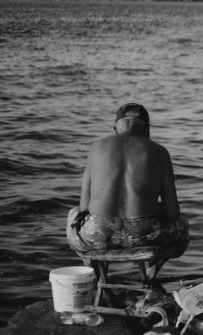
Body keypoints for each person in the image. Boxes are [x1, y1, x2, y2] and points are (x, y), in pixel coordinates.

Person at [66, 103, 189, 271]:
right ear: (147, 129)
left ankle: (98, 276)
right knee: (181, 223)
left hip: (97, 236)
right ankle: (149, 279)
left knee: (74, 215)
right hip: (146, 237)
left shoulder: (96, 148)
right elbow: (172, 212)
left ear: (115, 129)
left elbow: (84, 207)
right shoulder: (160, 152)